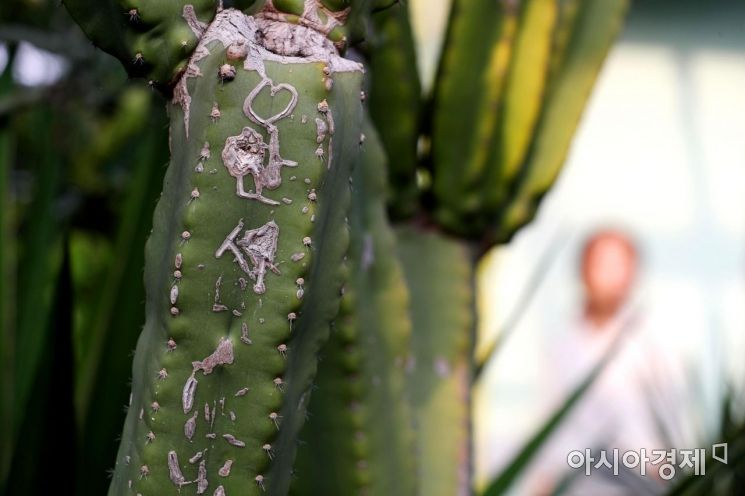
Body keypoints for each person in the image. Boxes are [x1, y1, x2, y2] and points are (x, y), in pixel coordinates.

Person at [526, 229, 670, 495]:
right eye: (602, 265)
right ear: (583, 270)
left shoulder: (653, 345)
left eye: (620, 265)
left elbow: (669, 428)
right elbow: (548, 424)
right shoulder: (560, 346)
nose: (611, 277)